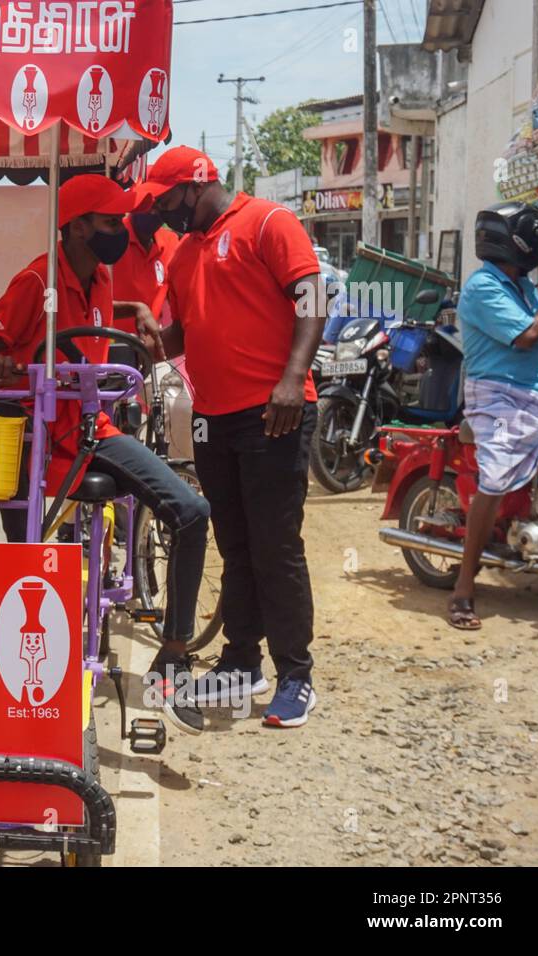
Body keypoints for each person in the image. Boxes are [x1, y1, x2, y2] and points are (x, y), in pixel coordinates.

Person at [0, 173, 211, 736]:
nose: (121, 231)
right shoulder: (37, 280)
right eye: (111, 223)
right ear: (78, 227)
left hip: (96, 430)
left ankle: (173, 661)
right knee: (25, 568)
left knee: (191, 512)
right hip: (39, 442)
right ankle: (26, 692)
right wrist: (4, 364)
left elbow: (113, 310)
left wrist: (139, 311)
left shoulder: (103, 275)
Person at [131, 146, 325, 728]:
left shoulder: (269, 222)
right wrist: (153, 342)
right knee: (235, 546)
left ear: (194, 187)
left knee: (275, 546)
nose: (161, 216)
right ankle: (244, 659)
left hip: (275, 413)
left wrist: (292, 379)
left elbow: (312, 297)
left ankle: (297, 675)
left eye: (164, 202)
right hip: (213, 417)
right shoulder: (188, 254)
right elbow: (188, 331)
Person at [448, 202, 538, 629]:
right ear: (517, 243)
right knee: (494, 475)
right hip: (498, 397)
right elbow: (528, 335)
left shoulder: (524, 286)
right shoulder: (483, 288)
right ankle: (463, 589)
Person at [109, 207, 181, 333]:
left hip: (150, 341)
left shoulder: (170, 241)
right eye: (146, 205)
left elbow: (175, 295)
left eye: (158, 204)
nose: (153, 211)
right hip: (113, 341)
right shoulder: (111, 237)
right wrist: (134, 309)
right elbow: (95, 301)